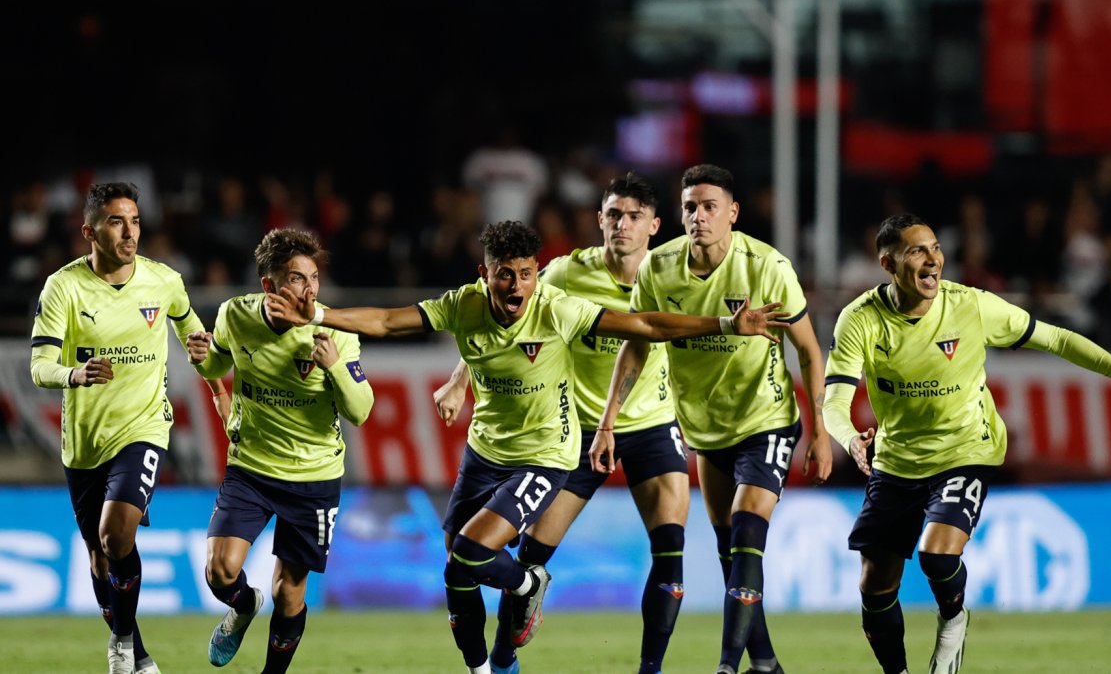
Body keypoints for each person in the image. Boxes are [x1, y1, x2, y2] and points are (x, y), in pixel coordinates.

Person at [264, 219, 787, 674]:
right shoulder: (463, 306)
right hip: (485, 452)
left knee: (471, 553)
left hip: (546, 454)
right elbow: (383, 320)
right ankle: (482, 667)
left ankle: (525, 586)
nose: (517, 286)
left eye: (527, 273)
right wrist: (315, 316)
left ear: (538, 273)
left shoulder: (556, 308)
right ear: (484, 273)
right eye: (505, 274)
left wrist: (725, 323)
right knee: (456, 572)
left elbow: (646, 324)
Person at [821, 212, 1111, 674]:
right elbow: (834, 402)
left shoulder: (971, 306)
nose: (933, 260)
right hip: (898, 460)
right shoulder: (860, 320)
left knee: (936, 553)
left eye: (935, 248)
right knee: (874, 587)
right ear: (887, 264)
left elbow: (1055, 338)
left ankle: (953, 619)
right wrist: (850, 439)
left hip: (967, 451)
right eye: (916, 251)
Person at [434, 173, 688, 674]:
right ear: (599, 220)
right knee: (529, 559)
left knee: (671, 553)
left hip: (654, 426)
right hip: (579, 432)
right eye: (614, 214)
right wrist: (461, 379)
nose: (622, 225)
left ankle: (651, 670)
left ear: (655, 225)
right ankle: (505, 660)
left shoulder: (673, 278)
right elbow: (505, 324)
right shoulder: (564, 273)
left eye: (634, 216)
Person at [591, 164, 833, 674]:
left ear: (733, 214)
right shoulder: (659, 269)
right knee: (730, 553)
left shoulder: (766, 267)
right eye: (689, 208)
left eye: (709, 207)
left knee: (747, 532)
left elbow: (810, 350)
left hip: (766, 421)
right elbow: (635, 346)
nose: (698, 217)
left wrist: (822, 431)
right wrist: (609, 420)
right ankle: (765, 663)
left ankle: (726, 668)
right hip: (704, 431)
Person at [29, 182, 229, 674]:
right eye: (117, 221)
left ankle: (120, 642)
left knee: (116, 534)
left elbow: (197, 342)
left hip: (143, 426)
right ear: (89, 231)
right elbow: (40, 366)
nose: (129, 232)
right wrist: (74, 373)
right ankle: (137, 656)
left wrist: (214, 377)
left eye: (135, 220)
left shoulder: (164, 282)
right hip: (84, 442)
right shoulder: (64, 287)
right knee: (101, 559)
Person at [190, 228, 374, 673]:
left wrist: (335, 369)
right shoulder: (236, 315)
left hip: (313, 476)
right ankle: (243, 604)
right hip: (250, 467)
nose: (309, 289)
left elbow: (361, 410)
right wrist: (206, 356)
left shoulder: (334, 331)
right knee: (219, 571)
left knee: (289, 593)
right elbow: (220, 361)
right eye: (296, 278)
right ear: (269, 285)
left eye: (313, 277)